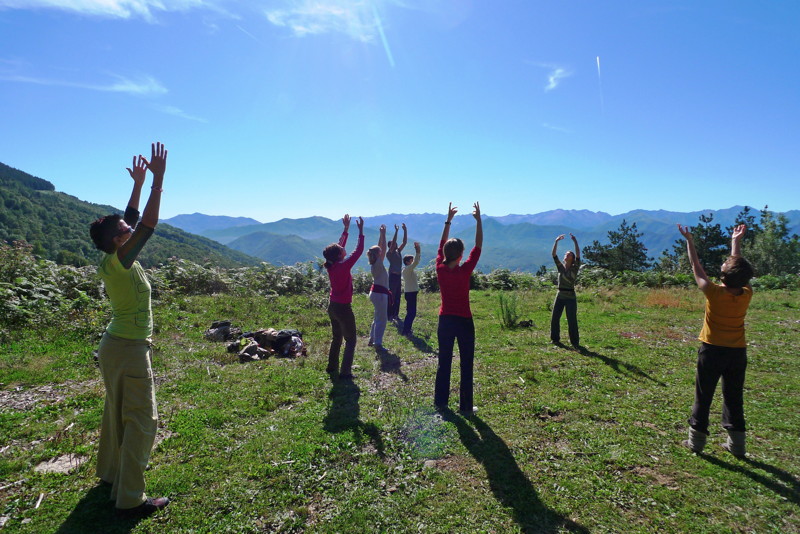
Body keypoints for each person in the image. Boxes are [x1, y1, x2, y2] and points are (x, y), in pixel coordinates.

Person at [88, 143, 170, 517]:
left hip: (114, 347)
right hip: (130, 348)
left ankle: (109, 475)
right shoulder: (122, 259)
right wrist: (157, 181)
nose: (130, 226)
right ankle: (131, 498)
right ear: (120, 240)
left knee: (115, 411)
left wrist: (136, 185)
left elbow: (133, 217)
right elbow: (148, 225)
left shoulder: (112, 256)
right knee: (141, 419)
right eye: (125, 229)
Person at [679, 224, 754, 457]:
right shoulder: (747, 293)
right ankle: (737, 446)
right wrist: (735, 242)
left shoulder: (713, 292)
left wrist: (690, 241)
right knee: (733, 397)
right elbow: (738, 268)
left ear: (722, 276)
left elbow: (695, 265)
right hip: (737, 353)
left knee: (704, 395)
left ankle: (696, 442)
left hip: (711, 351)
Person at [434, 202, 482, 415]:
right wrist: (479, 220)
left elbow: (441, 243)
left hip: (445, 320)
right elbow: (478, 246)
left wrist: (448, 220)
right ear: (461, 254)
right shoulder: (465, 270)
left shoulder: (439, 268)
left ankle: (441, 402)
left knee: (444, 361)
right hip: (464, 321)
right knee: (466, 363)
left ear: (445, 254)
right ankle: (465, 407)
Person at [323, 214, 365, 379]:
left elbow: (337, 247)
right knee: (351, 340)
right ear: (340, 255)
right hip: (343, 308)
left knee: (337, 338)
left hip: (332, 306)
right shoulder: (344, 265)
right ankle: (346, 372)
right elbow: (359, 250)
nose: (343, 249)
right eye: (342, 250)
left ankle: (332, 366)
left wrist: (346, 229)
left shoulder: (332, 265)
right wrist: (360, 231)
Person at [550, 233, 581, 347]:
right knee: (555, 318)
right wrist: (556, 241)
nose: (566, 256)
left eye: (568, 255)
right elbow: (554, 255)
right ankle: (555, 339)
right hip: (560, 295)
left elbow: (578, 255)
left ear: (572, 258)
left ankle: (575, 342)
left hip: (570, 297)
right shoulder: (560, 267)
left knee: (572, 320)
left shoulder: (575, 267)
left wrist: (575, 241)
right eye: (565, 254)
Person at [367, 225, 390, 351]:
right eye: (380, 252)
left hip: (375, 292)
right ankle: (378, 343)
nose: (382, 252)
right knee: (382, 319)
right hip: (380, 294)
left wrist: (381, 234)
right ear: (378, 254)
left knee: (377, 317)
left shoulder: (374, 262)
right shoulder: (378, 263)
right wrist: (384, 234)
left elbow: (379, 248)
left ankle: (372, 339)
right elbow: (383, 248)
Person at [386, 223, 407, 321]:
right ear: (390, 246)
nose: (395, 244)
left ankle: (395, 314)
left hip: (398, 276)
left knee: (398, 295)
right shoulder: (389, 253)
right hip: (393, 276)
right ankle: (389, 314)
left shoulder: (398, 251)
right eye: (393, 244)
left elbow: (404, 242)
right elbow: (394, 242)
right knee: (392, 295)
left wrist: (405, 230)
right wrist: (396, 231)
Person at [401, 242, 421, 336]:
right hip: (411, 293)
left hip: (411, 292)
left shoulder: (408, 269)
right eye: (411, 261)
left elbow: (416, 261)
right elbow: (417, 261)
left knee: (411, 312)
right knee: (411, 313)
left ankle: (407, 329)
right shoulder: (408, 269)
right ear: (407, 262)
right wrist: (418, 250)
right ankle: (406, 330)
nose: (413, 262)